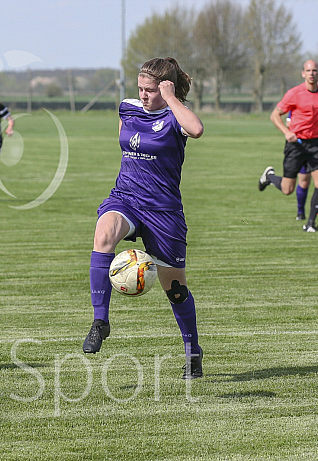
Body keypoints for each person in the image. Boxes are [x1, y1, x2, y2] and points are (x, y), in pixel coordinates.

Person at [81, 57, 205, 380]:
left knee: (175, 289)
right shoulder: (127, 108)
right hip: (127, 197)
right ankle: (100, 321)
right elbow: (124, 141)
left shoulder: (175, 116)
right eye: (140, 88)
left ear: (165, 89)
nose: (144, 95)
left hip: (163, 211)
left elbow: (197, 129)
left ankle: (193, 351)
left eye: (150, 90)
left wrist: (173, 98)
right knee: (104, 232)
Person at [259, 59, 318, 232]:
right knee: (287, 189)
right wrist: (286, 132)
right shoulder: (294, 93)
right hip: (296, 144)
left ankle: (310, 224)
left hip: (315, 143)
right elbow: (275, 115)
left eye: (315, 70)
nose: (312, 74)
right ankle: (269, 177)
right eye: (308, 70)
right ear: (303, 73)